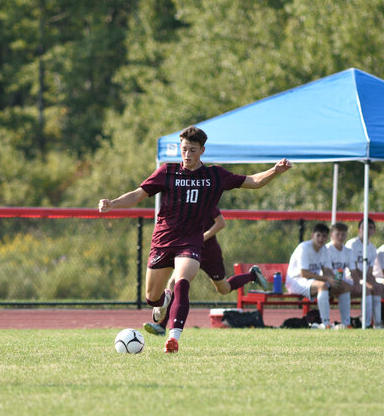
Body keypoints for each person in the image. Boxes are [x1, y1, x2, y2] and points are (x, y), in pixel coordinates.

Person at [98, 125, 291, 353]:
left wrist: (274, 171)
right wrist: (113, 203)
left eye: (192, 150)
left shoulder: (215, 175)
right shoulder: (167, 172)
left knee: (182, 281)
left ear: (202, 151)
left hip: (190, 242)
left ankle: (173, 337)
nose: (187, 155)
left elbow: (253, 181)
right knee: (152, 298)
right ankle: (163, 301)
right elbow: (139, 194)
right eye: (184, 149)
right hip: (163, 241)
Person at [144, 208, 270, 336]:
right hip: (188, 250)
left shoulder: (206, 196)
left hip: (209, 252)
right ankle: (161, 326)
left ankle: (252, 275)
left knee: (224, 288)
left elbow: (221, 223)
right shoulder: (183, 199)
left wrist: (200, 238)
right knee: (173, 283)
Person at [286, 223, 336, 328]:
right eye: (318, 235)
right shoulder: (304, 248)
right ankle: (326, 323)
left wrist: (334, 279)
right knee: (322, 285)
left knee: (343, 287)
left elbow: (327, 270)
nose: (321, 239)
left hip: (311, 282)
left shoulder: (324, 250)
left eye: (324, 236)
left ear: (327, 238)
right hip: (296, 282)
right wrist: (327, 279)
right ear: (312, 235)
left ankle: (347, 322)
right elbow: (304, 273)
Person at [347, 218, 384, 328]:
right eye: (364, 228)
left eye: (370, 228)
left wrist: (374, 283)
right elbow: (352, 268)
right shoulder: (352, 244)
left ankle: (377, 324)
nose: (367, 230)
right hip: (350, 278)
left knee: (377, 289)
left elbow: (369, 272)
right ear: (359, 230)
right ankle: (366, 324)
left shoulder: (372, 249)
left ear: (374, 231)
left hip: (364, 279)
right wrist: (368, 282)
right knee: (367, 289)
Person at [325, 222, 356, 327]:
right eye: (337, 234)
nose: (340, 237)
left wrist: (357, 284)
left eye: (343, 234)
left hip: (341, 283)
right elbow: (328, 272)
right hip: (327, 282)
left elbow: (354, 272)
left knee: (367, 290)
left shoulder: (348, 251)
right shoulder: (326, 250)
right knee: (345, 288)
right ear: (331, 235)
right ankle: (328, 323)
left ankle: (370, 323)